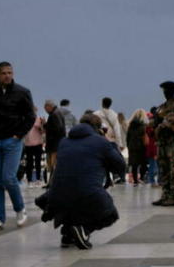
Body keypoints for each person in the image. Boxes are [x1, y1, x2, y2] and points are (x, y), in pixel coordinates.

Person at [35, 111, 126, 249]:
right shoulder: (101, 142)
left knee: (72, 197)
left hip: (56, 196)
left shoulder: (64, 142)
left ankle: (68, 234)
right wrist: (110, 144)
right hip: (87, 193)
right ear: (98, 128)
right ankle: (84, 230)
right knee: (110, 214)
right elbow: (120, 166)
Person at [0, 61, 34, 231]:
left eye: (10, 72)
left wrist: (19, 135)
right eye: (3, 73)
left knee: (9, 178)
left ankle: (20, 209)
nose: (7, 76)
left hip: (13, 141)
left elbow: (30, 116)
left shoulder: (22, 92)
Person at [153, 81, 174, 206]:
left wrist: (160, 126)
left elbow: (171, 123)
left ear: (173, 91)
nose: (165, 93)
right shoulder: (164, 106)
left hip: (171, 142)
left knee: (173, 169)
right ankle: (165, 194)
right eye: (164, 91)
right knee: (164, 169)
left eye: (167, 91)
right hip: (162, 143)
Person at [22, 108, 45, 186]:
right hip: (28, 144)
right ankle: (29, 180)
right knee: (29, 163)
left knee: (38, 162)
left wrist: (41, 125)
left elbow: (43, 132)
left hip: (38, 144)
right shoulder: (25, 120)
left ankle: (38, 179)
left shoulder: (39, 120)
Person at [43, 100, 65, 183]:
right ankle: (52, 181)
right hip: (57, 143)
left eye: (45, 108)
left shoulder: (54, 115)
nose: (45, 110)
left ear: (49, 106)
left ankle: (52, 182)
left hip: (54, 144)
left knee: (52, 164)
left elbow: (57, 129)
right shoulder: (57, 113)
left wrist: (45, 125)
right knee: (54, 164)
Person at [126, 109, 148, 184]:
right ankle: (141, 177)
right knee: (143, 164)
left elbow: (127, 138)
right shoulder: (144, 126)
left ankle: (135, 180)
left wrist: (128, 146)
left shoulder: (130, 125)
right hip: (141, 147)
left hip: (132, 146)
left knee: (134, 164)